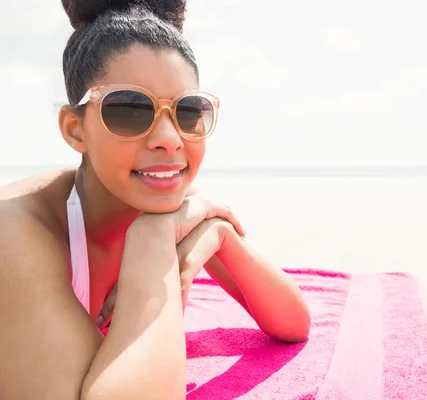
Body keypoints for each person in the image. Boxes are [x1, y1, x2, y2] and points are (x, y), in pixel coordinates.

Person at [0, 1, 311, 398]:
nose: (169, 138)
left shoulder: (174, 207)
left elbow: (293, 322)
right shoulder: (14, 231)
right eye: (129, 110)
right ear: (76, 129)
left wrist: (221, 236)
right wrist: (153, 245)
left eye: (188, 112)